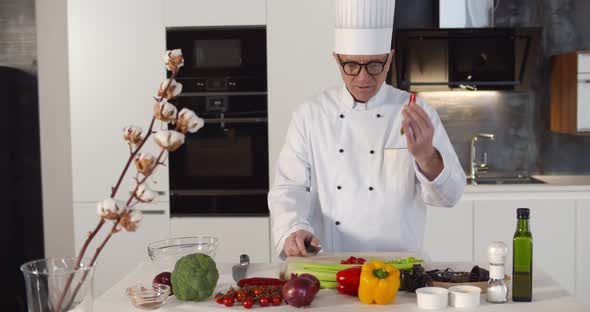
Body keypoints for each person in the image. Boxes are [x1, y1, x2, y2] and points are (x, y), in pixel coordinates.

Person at [268, 0, 466, 259]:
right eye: (351, 65)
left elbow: (451, 195)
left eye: (375, 65)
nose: (363, 78)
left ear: (390, 58)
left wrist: (426, 156)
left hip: (400, 268)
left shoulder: (416, 110)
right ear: (336, 60)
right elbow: (288, 188)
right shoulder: (310, 115)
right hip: (332, 265)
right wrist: (294, 229)